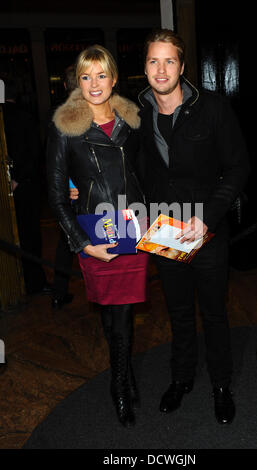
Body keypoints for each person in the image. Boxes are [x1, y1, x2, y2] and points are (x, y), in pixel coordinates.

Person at [137, 29, 250, 424]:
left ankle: (221, 384)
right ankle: (181, 378)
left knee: (214, 313)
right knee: (179, 312)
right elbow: (139, 172)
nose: (161, 69)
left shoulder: (213, 108)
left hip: (207, 231)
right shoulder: (139, 112)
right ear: (146, 67)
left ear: (182, 67)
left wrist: (208, 215)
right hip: (164, 230)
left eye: (169, 61)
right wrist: (139, 210)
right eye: (154, 61)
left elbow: (238, 168)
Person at [46, 45, 148, 428]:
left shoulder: (132, 120)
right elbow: (56, 195)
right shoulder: (64, 125)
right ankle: (121, 383)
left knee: (122, 311)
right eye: (85, 76)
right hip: (96, 231)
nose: (93, 84)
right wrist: (81, 243)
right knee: (111, 311)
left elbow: (142, 174)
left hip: (132, 226)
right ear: (76, 80)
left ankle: (122, 380)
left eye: (101, 75)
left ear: (114, 78)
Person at [2, 78, 52, 296]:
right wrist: (20, 178)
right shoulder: (25, 117)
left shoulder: (12, 118)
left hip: (16, 185)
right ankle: (34, 282)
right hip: (26, 186)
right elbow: (34, 154)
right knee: (30, 236)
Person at [51, 65, 77, 311]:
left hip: (70, 192)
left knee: (65, 245)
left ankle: (58, 293)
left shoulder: (59, 113)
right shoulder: (67, 116)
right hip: (76, 192)